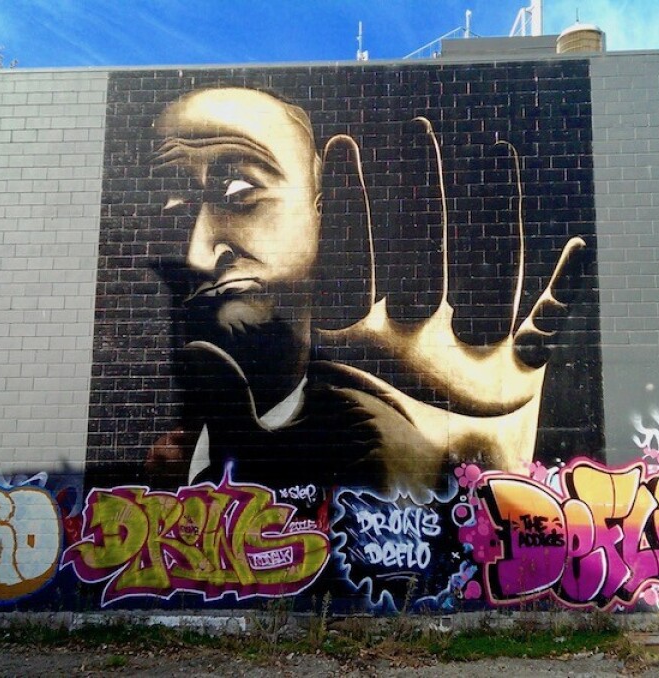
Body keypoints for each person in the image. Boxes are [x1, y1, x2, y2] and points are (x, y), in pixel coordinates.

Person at [144, 86, 587, 496]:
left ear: (325, 211)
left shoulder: (383, 417)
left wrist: (482, 478)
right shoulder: (165, 469)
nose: (197, 255)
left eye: (240, 190)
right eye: (173, 213)